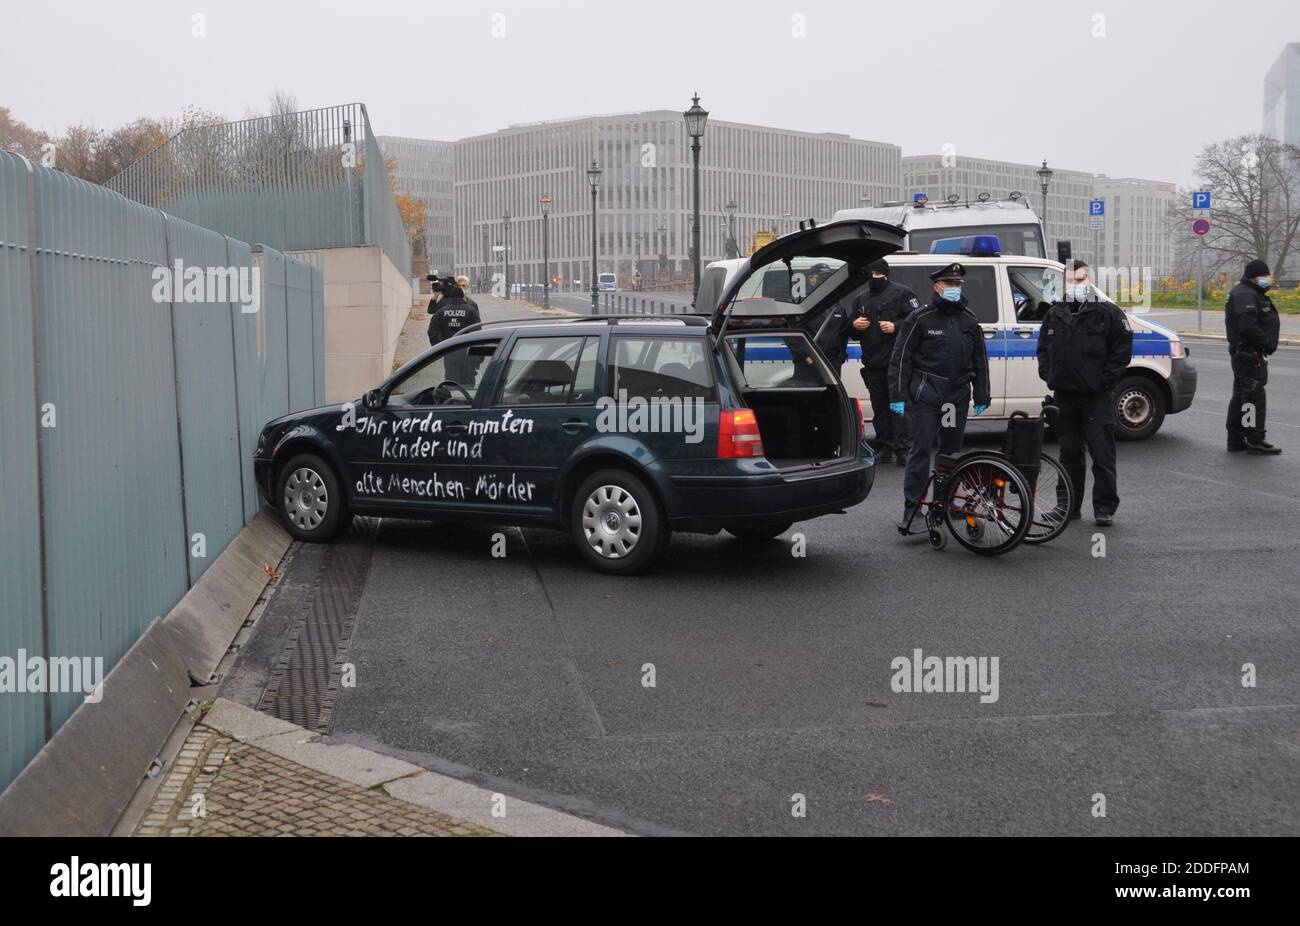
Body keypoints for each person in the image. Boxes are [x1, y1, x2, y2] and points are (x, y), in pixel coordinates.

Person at [888, 262, 991, 530]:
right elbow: (901, 360)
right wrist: (897, 396)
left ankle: (944, 503)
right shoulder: (920, 318)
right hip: (928, 397)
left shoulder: (969, 320)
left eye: (958, 284)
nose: (954, 288)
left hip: (955, 399)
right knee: (921, 452)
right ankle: (913, 509)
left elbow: (980, 360)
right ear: (937, 287)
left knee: (951, 454)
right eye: (949, 284)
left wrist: (982, 394)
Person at [1036, 260, 1133, 526]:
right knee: (1069, 455)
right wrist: (1048, 374)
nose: (1075, 285)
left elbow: (1122, 351)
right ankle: (1067, 507)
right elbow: (1042, 348)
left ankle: (1104, 508)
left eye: (1080, 280)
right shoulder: (1055, 313)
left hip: (1095, 397)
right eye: (1070, 280)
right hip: (1065, 396)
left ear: (1089, 280)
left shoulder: (1108, 313)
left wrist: (1104, 381)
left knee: (1102, 455)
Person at [851, 259, 921, 465]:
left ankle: (904, 448)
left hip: (898, 363)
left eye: (877, 274)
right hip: (873, 362)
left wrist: (896, 326)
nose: (874, 278)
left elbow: (917, 321)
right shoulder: (861, 299)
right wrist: (855, 325)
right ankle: (884, 446)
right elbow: (850, 329)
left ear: (885, 274)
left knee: (899, 405)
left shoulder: (903, 294)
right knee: (880, 406)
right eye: (871, 274)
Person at [1225, 258, 1282, 454]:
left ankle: (1236, 439)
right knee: (1252, 396)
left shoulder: (1249, 292)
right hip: (1249, 354)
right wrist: (1265, 344)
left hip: (1246, 353)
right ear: (1256, 277)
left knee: (1242, 395)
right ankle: (1253, 439)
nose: (1268, 279)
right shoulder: (1245, 295)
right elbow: (1248, 326)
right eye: (1265, 276)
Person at [427, 275, 480, 347]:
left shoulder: (472, 305)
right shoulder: (445, 301)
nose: (461, 288)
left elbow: (476, 328)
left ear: (468, 287)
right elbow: (431, 311)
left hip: (465, 345)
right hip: (446, 345)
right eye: (459, 285)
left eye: (463, 286)